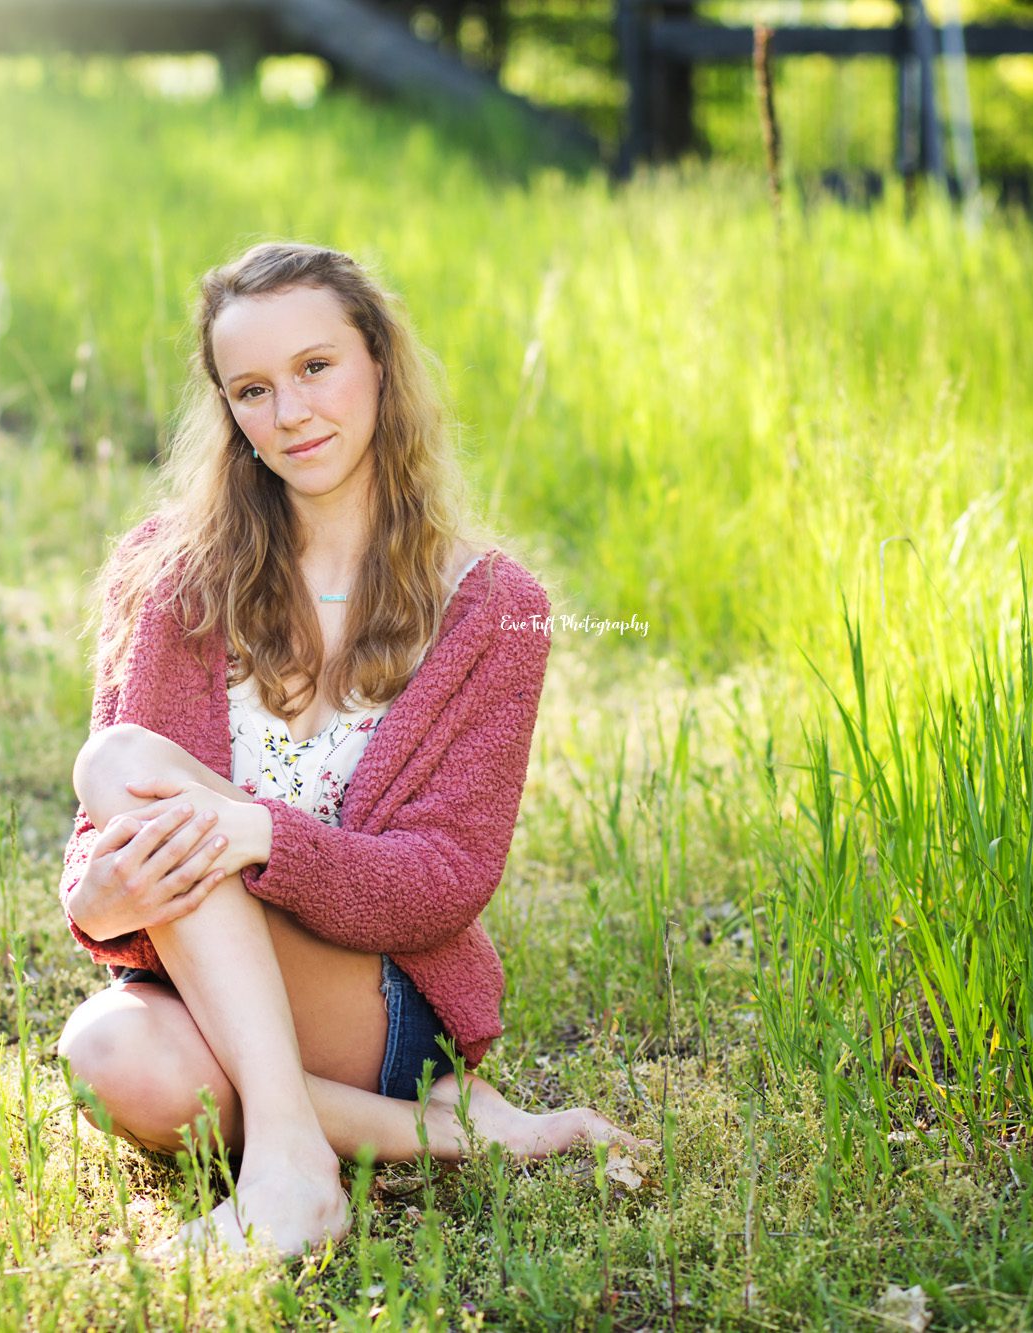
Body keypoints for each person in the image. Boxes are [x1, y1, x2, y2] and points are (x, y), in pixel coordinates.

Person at [54, 241, 649, 1263]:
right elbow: (96, 854)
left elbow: (443, 880)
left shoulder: (495, 610)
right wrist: (99, 899)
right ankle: (445, 1133)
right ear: (228, 412)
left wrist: (256, 836)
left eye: (316, 367)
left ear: (377, 362)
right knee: (104, 1050)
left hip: (374, 996)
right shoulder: (167, 576)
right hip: (200, 987)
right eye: (252, 388)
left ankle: (290, 1167)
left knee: (127, 767)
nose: (290, 413)